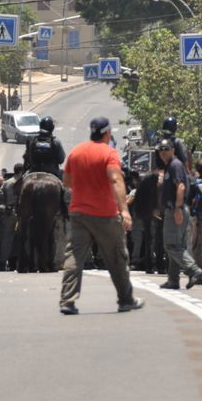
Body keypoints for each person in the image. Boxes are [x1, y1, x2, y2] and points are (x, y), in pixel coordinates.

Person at [58, 117, 144, 315]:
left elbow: (67, 181)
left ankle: (67, 300)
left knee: (74, 256)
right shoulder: (109, 153)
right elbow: (115, 179)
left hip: (79, 212)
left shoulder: (76, 152)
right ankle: (125, 299)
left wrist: (85, 188)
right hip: (104, 214)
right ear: (107, 133)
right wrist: (124, 210)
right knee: (117, 257)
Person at [156, 138, 202, 290]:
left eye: (166, 149)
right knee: (176, 245)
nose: (163, 152)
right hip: (175, 209)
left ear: (173, 150)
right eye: (161, 149)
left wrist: (177, 208)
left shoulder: (175, 165)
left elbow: (181, 187)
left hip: (177, 209)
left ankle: (194, 271)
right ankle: (173, 280)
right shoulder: (172, 165)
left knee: (171, 245)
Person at [1, 163, 25, 271]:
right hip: (21, 214)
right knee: (22, 238)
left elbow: (1, 198)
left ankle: (4, 262)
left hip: (9, 213)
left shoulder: (6, 183)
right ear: (21, 172)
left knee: (7, 239)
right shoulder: (24, 183)